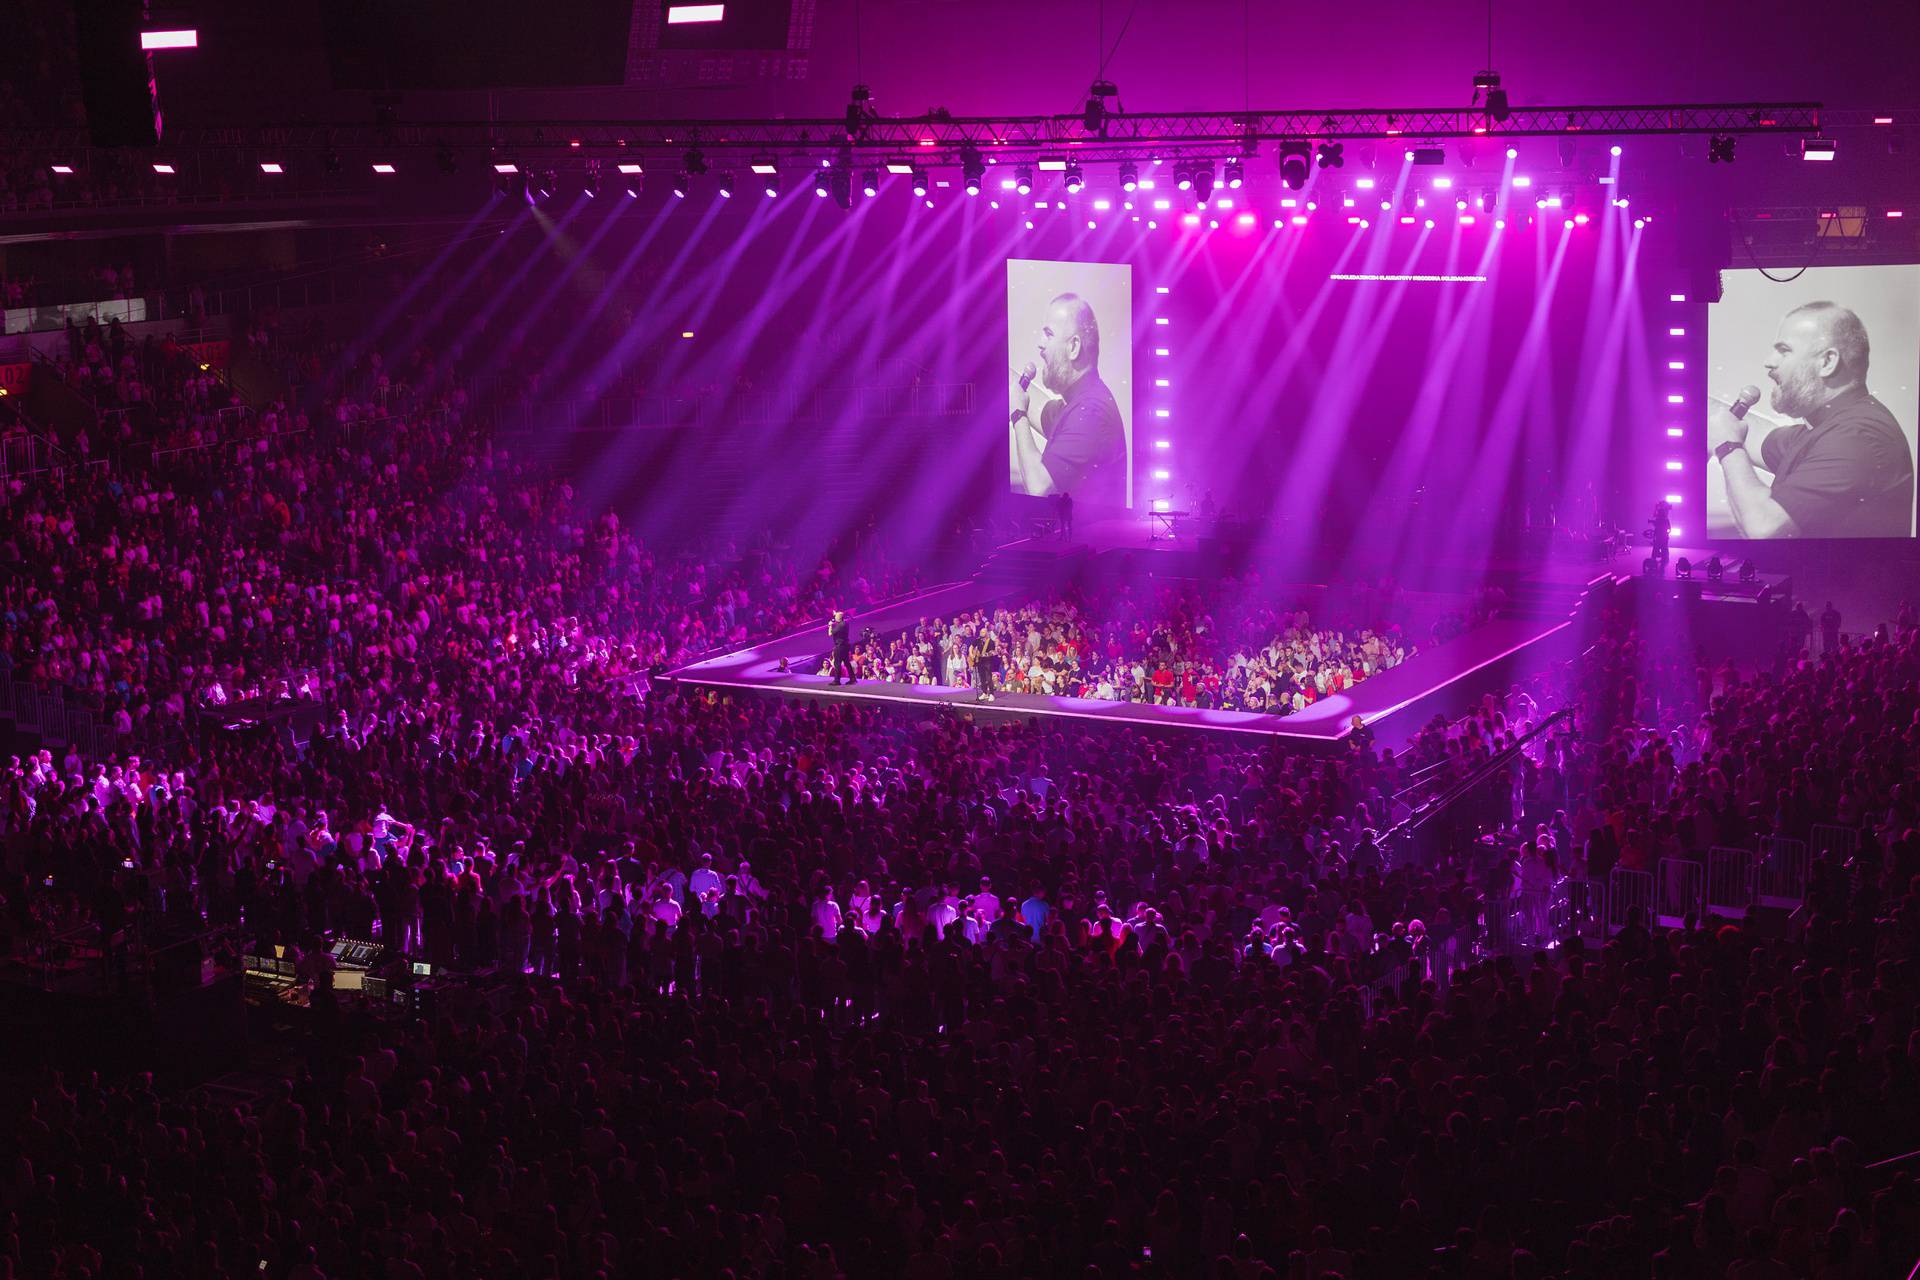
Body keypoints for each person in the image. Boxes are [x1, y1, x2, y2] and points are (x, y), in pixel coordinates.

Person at [1710, 301, 1915, 538]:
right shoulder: (1830, 428)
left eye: (1784, 350)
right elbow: (1751, 433)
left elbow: (1764, 529)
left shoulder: (1855, 439)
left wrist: (1728, 446)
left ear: (1827, 362)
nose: (1769, 361)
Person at [1010, 293, 1126, 508]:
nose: (1039, 344)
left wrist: (1018, 414)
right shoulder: (1079, 403)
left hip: (1090, 538)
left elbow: (1038, 487)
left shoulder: (1090, 414)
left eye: (1048, 334)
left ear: (1073, 347)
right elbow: (1036, 406)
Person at [826, 609, 854, 685]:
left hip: (840, 646)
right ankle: (852, 678)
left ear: (839, 618)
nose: (834, 617)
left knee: (837, 663)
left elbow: (830, 634)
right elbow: (838, 619)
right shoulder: (845, 623)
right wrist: (835, 615)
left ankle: (837, 680)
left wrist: (830, 625)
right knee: (847, 662)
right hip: (845, 646)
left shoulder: (840, 625)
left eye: (836, 616)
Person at [972, 629, 1001, 703]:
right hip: (980, 662)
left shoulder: (990, 641)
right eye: (981, 632)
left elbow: (992, 652)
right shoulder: (978, 640)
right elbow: (971, 647)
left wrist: (986, 654)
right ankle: (984, 692)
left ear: (987, 633)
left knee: (988, 677)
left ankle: (991, 694)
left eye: (983, 632)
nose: (981, 633)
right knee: (982, 678)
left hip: (988, 662)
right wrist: (972, 655)